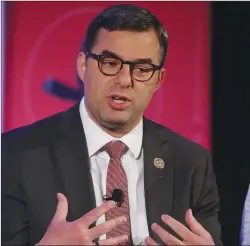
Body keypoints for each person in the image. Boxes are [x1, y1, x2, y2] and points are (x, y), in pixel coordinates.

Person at [2, 4, 222, 246]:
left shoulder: (191, 164)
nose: (125, 80)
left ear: (158, 79)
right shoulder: (14, 155)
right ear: (83, 66)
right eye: (109, 62)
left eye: (142, 69)